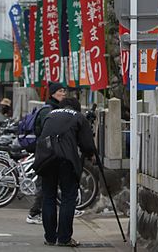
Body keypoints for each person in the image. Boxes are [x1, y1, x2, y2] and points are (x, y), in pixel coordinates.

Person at [33, 97, 96, 247]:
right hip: (66, 160)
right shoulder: (78, 117)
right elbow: (87, 144)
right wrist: (91, 154)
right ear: (77, 107)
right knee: (68, 197)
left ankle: (49, 237)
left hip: (46, 158)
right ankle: (64, 238)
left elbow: (40, 133)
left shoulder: (50, 114)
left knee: (49, 196)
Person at [26, 82, 67, 225]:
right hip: (47, 152)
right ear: (53, 93)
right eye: (61, 91)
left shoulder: (53, 108)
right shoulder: (49, 110)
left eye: (64, 91)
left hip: (49, 152)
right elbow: (48, 131)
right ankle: (34, 213)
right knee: (44, 184)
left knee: (48, 183)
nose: (64, 93)